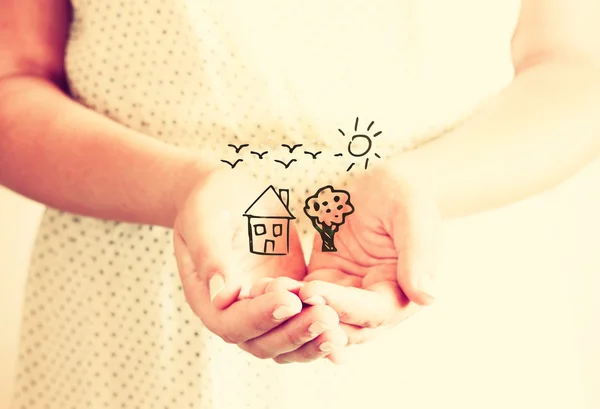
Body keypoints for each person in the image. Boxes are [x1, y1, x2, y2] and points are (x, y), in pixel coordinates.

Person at [1, 0, 599, 408]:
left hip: (450, 277)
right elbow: (12, 77)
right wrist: (181, 189)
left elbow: (573, 67)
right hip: (136, 301)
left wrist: (420, 188)